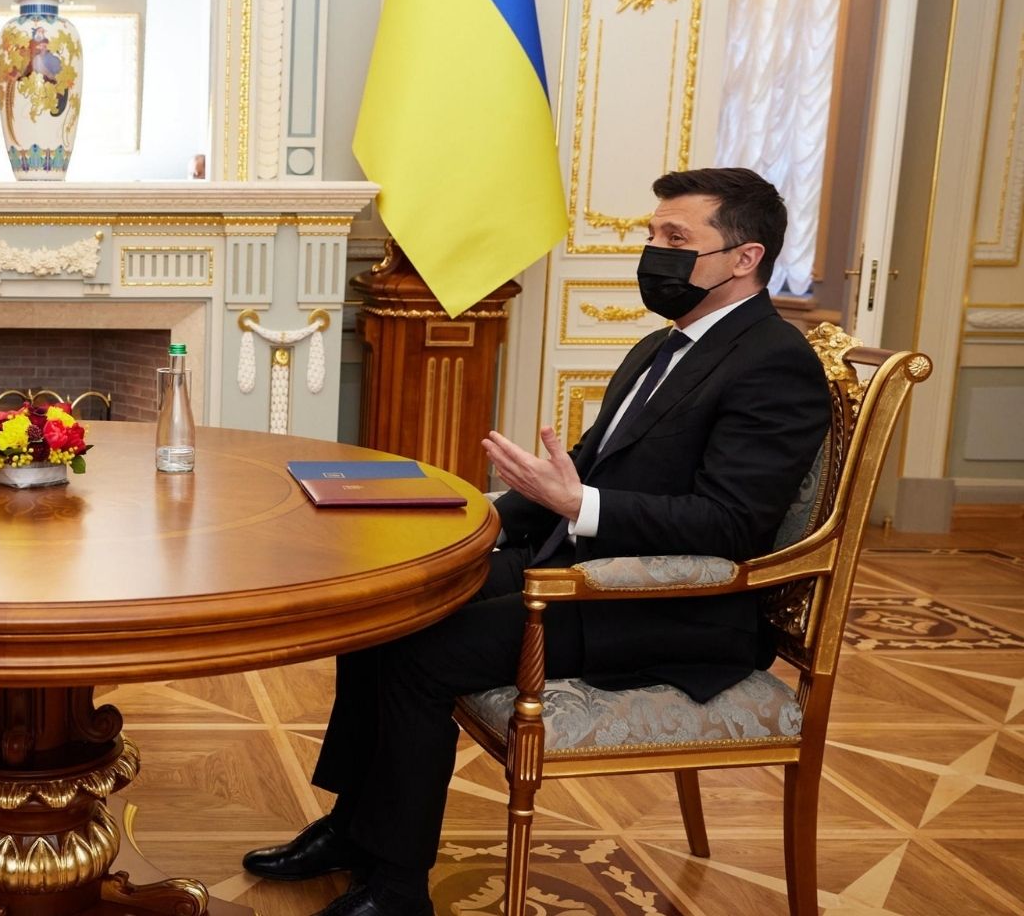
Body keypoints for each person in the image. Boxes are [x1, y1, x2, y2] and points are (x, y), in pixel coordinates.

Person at [241, 168, 831, 916]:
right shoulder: (657, 350)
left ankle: (395, 889)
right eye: (652, 234)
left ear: (744, 258)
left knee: (421, 654)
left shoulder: (774, 362)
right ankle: (354, 831)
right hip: (579, 565)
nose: (654, 251)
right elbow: (576, 473)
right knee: (383, 610)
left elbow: (730, 524)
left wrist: (578, 504)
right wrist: (472, 529)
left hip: (669, 605)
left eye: (676, 239)